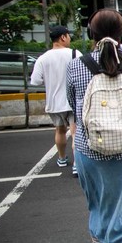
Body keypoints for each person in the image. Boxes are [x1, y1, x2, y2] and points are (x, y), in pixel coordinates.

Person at [66, 9, 122, 242]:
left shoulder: (75, 66)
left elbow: (74, 107)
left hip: (90, 148)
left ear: (90, 34)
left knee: (100, 208)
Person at [30, 25, 82, 177]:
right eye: (68, 36)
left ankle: (61, 158)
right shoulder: (74, 53)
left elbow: (35, 81)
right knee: (75, 132)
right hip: (72, 100)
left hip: (54, 103)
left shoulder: (43, 58)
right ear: (63, 37)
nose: (69, 39)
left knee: (60, 130)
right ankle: (77, 165)